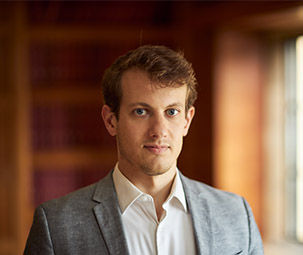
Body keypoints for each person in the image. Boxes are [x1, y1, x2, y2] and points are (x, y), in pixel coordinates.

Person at [24, 45, 263, 255]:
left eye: (171, 112)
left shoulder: (235, 213)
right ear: (111, 121)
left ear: (187, 121)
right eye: (141, 111)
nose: (159, 131)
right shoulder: (56, 225)